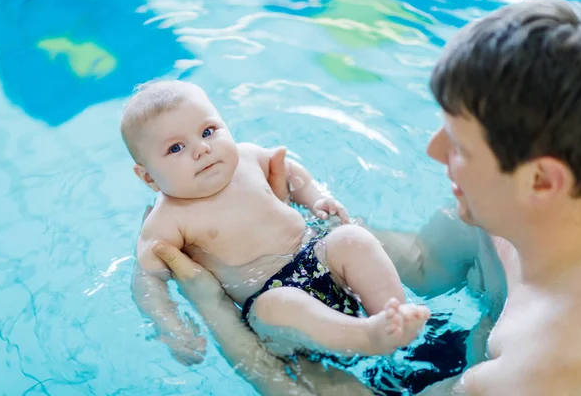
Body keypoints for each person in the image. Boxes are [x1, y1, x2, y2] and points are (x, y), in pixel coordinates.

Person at [147, 0, 581, 394]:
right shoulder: (494, 225)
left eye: (459, 144)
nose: (433, 151)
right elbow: (420, 262)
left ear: (543, 181)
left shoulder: (541, 374)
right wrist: (297, 227)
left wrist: (214, 307)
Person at [123, 80, 431, 364]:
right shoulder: (168, 219)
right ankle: (366, 336)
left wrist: (316, 197)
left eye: (208, 131)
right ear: (148, 176)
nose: (202, 149)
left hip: (316, 255)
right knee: (280, 304)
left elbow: (291, 172)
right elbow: (148, 279)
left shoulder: (247, 157)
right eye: (176, 148)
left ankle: (395, 318)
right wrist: (171, 327)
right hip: (266, 299)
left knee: (353, 238)